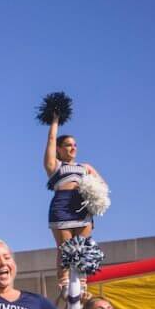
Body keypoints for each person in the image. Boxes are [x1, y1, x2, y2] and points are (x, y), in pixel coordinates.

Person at [43, 118, 102, 290]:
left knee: (83, 248)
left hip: (82, 209)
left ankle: (82, 285)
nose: (73, 147)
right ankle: (64, 285)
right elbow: (51, 140)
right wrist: (54, 120)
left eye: (75, 145)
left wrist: (94, 193)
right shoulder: (55, 166)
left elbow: (103, 187)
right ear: (59, 150)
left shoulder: (85, 167)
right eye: (68, 145)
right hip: (62, 208)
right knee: (65, 249)